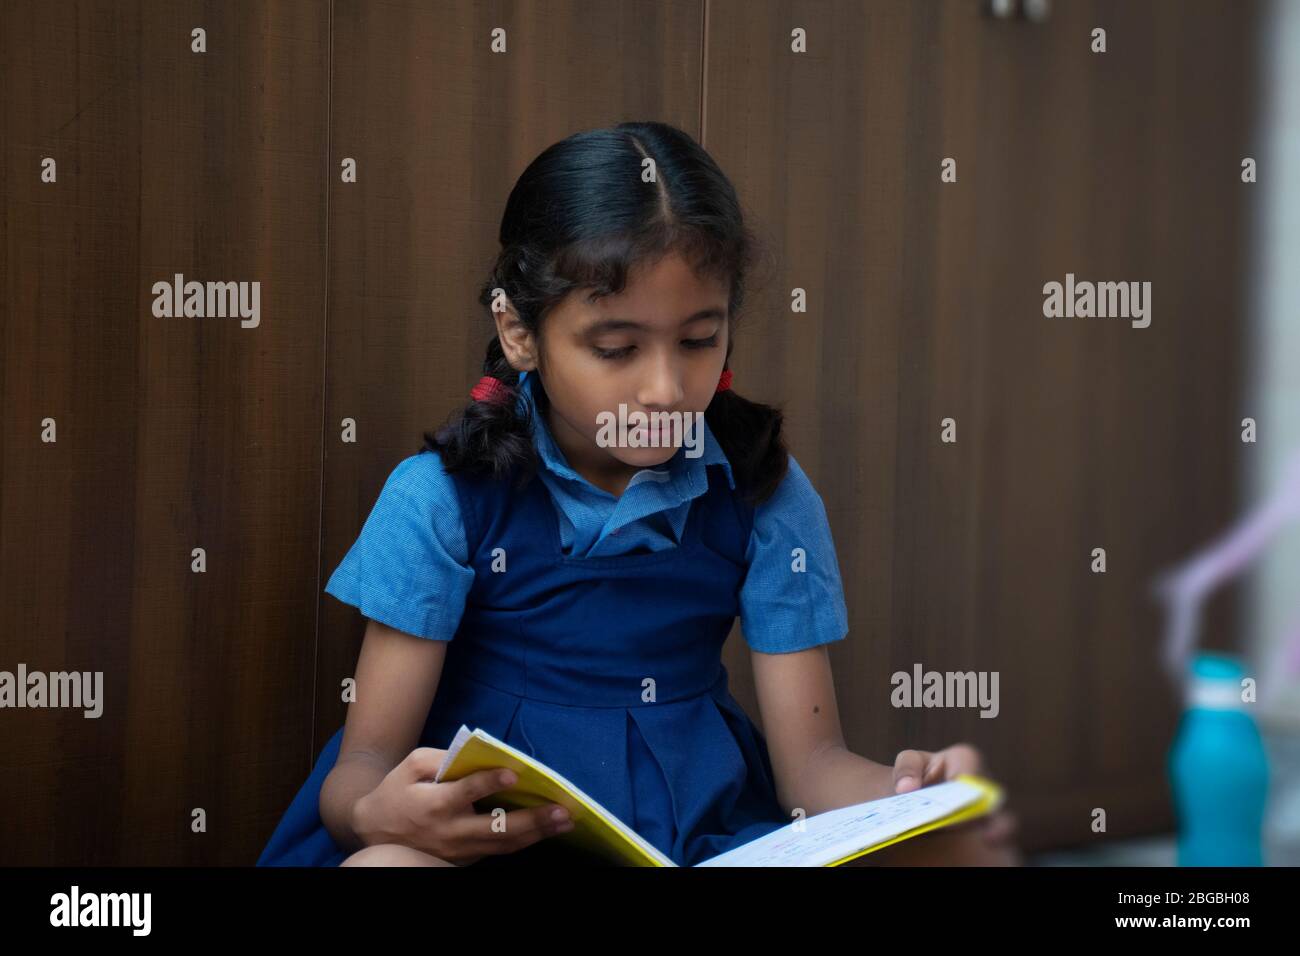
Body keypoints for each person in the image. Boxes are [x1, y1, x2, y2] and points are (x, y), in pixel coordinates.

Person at [257, 121, 1019, 868]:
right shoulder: (442, 500)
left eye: (698, 341)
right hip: (488, 845)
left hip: (695, 838)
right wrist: (373, 811)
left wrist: (913, 794)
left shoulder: (764, 497)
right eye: (616, 348)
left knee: (959, 852)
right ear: (519, 332)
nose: (663, 389)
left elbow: (813, 769)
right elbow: (360, 770)